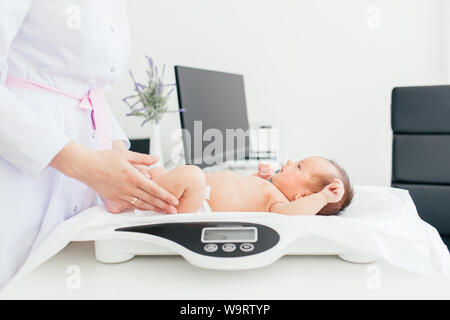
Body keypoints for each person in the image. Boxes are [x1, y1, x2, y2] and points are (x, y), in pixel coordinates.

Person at [0, 1, 178, 288]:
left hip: (83, 179)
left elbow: (89, 92)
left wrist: (123, 161)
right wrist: (84, 165)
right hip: (18, 175)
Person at [145, 157, 354, 215]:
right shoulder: (268, 188)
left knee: (191, 175)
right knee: (157, 171)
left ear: (302, 197)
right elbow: (242, 189)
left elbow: (295, 214)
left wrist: (323, 198)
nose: (290, 161)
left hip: (196, 205)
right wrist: (258, 176)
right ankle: (143, 187)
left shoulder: (278, 204)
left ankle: (145, 199)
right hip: (193, 194)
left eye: (299, 166)